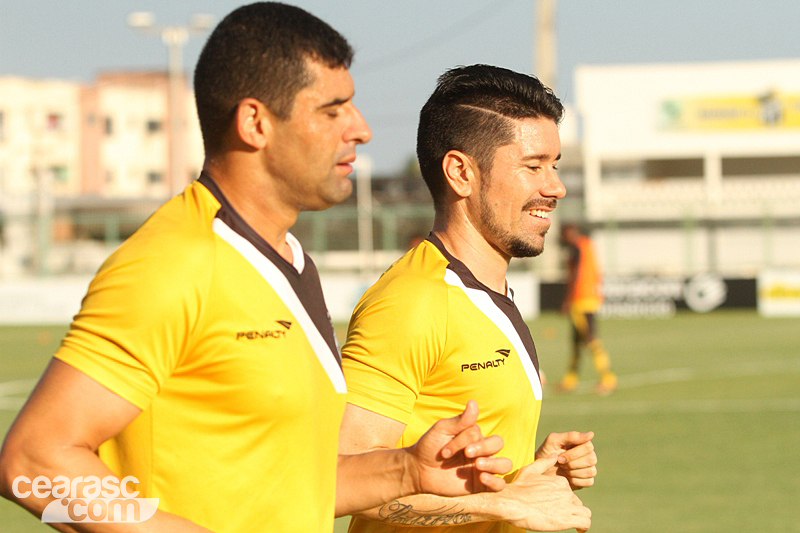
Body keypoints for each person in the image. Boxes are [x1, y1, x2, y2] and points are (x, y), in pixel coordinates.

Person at [0, 5, 513, 532]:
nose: (360, 129)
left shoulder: (290, 261)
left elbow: (290, 480)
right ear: (255, 123)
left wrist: (406, 470)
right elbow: (33, 465)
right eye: (333, 110)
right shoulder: (176, 261)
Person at [338, 65, 595, 533]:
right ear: (460, 172)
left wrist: (528, 477)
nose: (554, 187)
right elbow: (343, 476)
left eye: (554, 166)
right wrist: (507, 504)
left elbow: (465, 480)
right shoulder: (411, 301)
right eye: (533, 166)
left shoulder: (489, 289)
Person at [556, 223, 617, 395]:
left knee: (590, 340)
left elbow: (576, 274)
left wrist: (567, 300)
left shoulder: (576, 248)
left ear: (570, 233)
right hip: (590, 297)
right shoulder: (587, 245)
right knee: (576, 342)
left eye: (564, 234)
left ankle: (608, 379)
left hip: (581, 299)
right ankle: (570, 380)